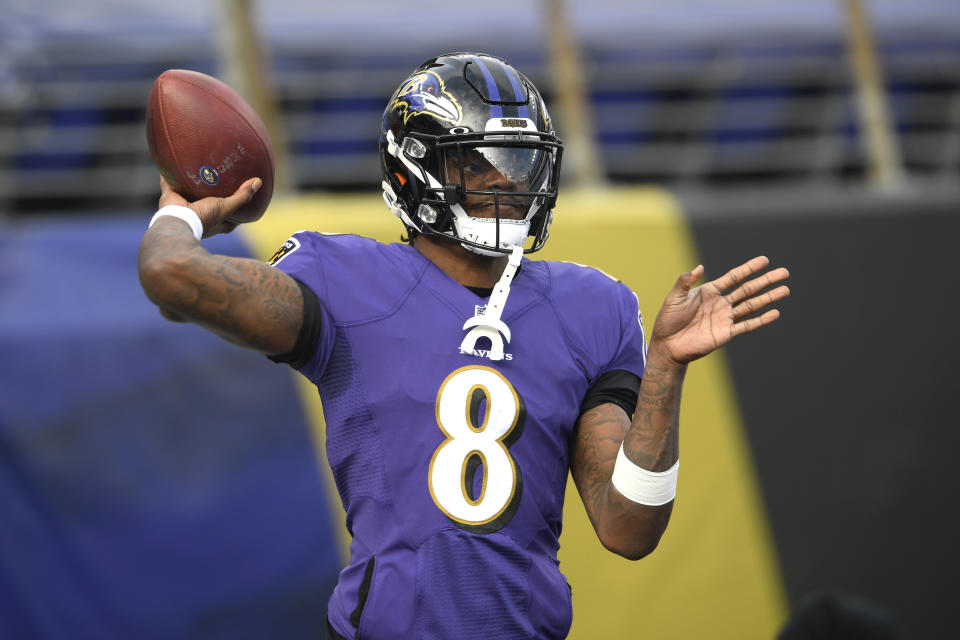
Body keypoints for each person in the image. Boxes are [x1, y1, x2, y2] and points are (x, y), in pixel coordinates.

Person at [138, 52, 790, 639]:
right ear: (412, 167)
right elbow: (172, 276)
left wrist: (667, 370)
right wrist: (185, 212)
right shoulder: (342, 279)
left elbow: (627, 528)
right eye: (479, 162)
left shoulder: (597, 306)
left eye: (520, 160)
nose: (509, 181)